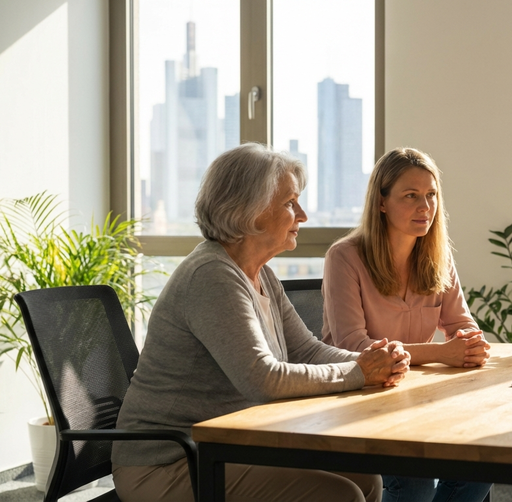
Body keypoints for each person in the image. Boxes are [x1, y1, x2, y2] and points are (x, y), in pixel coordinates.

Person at [111, 143, 411, 502]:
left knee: (365, 479)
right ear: (249, 212)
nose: (302, 215)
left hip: (225, 446)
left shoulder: (260, 273)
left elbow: (306, 350)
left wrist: (373, 359)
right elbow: (263, 379)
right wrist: (361, 372)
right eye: (289, 203)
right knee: (339, 495)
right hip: (168, 463)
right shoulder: (211, 275)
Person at [321, 147, 492, 502]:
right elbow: (353, 346)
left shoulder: (437, 258)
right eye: (411, 196)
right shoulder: (345, 257)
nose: (425, 207)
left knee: (485, 461)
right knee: (414, 481)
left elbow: (463, 325)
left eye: (431, 196)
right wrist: (443, 353)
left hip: (416, 396)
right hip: (357, 398)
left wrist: (473, 344)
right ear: (381, 202)